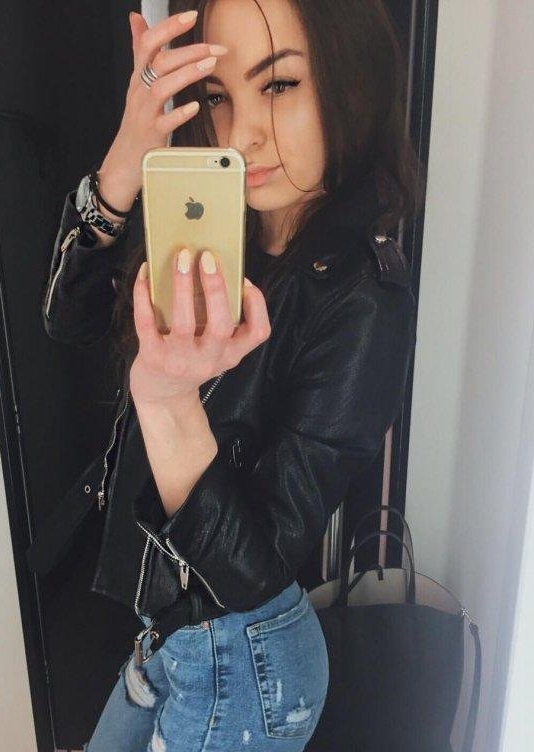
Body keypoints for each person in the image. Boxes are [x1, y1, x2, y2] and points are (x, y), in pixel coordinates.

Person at [26, 1, 423, 750]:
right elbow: (67, 319)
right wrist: (126, 158)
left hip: (246, 662)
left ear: (352, 80)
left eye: (279, 85)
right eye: (218, 97)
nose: (240, 135)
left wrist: (168, 400)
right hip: (167, 634)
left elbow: (255, 570)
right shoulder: (209, 222)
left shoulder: (364, 295)